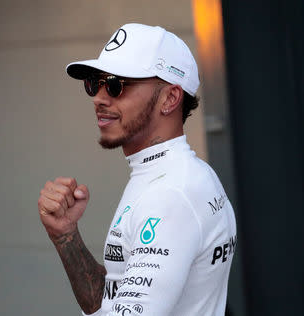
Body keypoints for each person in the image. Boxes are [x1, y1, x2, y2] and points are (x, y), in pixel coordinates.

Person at [37, 23, 236, 316]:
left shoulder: (171, 194)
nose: (99, 98)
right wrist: (66, 237)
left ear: (170, 98)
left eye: (117, 85)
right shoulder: (179, 175)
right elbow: (114, 298)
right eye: (95, 83)